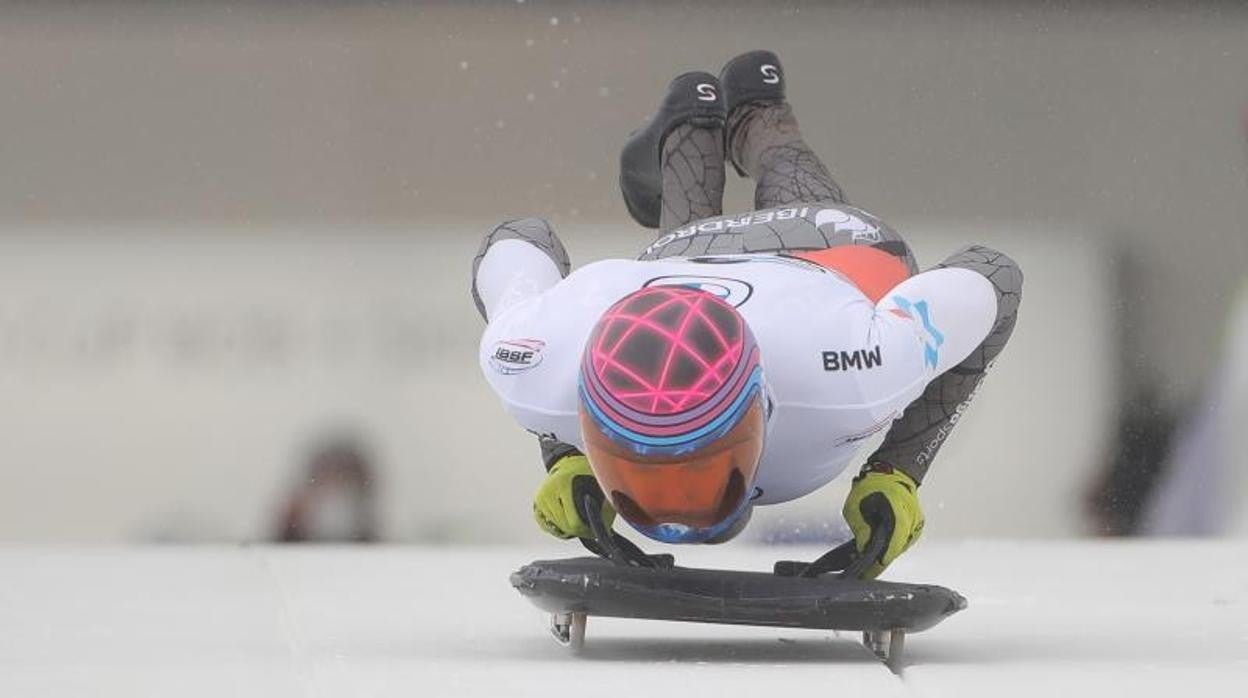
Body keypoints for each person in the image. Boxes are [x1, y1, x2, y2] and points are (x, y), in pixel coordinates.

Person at [472, 51, 1022, 577]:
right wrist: (896, 473)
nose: (676, 511)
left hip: (816, 257)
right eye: (637, 469)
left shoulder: (860, 368)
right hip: (701, 257)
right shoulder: (534, 364)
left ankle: (719, 113)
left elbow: (519, 234)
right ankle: (720, 113)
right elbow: (993, 274)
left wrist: (564, 453)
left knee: (759, 203)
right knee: (747, 203)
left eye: (696, 473)